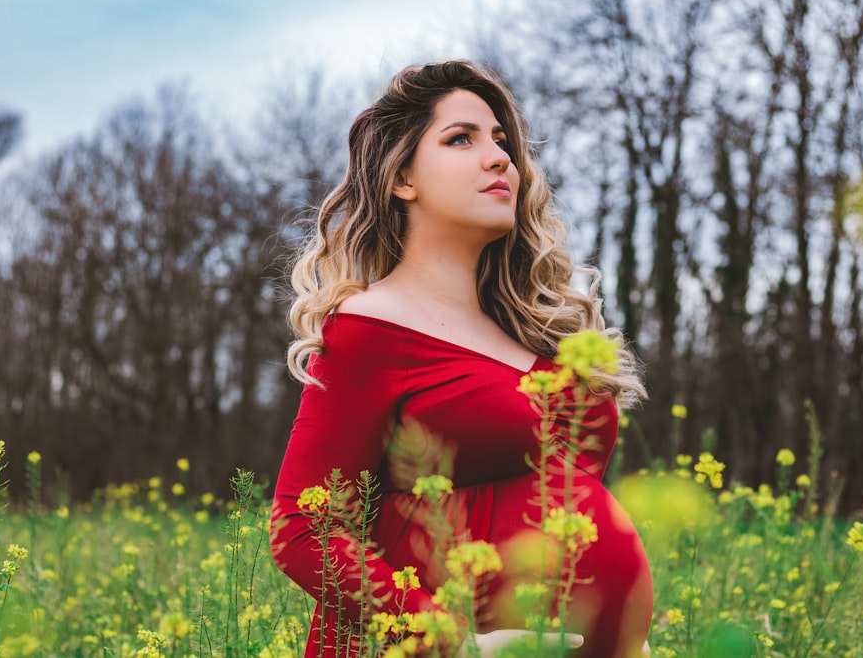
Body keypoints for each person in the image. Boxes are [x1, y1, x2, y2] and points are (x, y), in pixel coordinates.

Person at [270, 60, 653, 658]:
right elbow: (303, 530)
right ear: (403, 179)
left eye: (502, 141)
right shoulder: (371, 328)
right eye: (461, 139)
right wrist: (455, 641)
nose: (501, 158)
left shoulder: (535, 332)